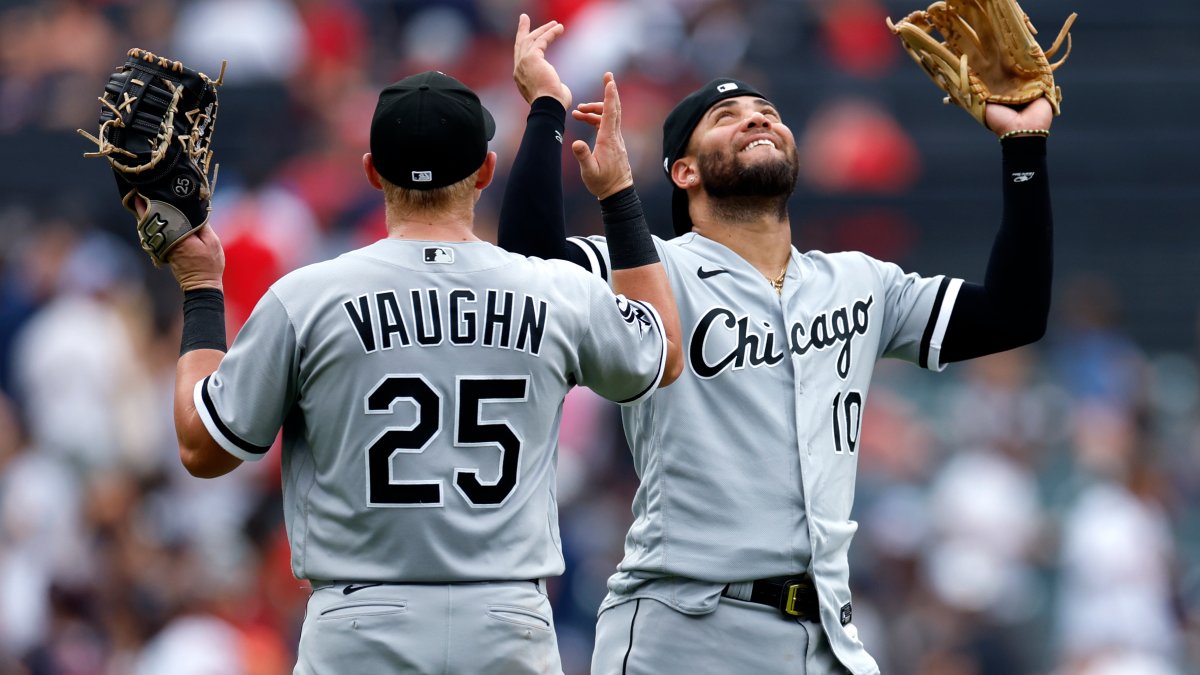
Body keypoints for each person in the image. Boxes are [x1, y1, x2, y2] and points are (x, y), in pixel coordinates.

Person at [166, 16, 682, 674]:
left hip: (360, 620)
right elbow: (663, 349)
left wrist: (202, 289)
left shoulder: (310, 296)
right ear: (486, 170)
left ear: (373, 172)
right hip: (506, 621)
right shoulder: (552, 290)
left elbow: (202, 446)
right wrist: (615, 194)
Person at [499, 67, 1054, 673]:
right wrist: (548, 112)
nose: (756, 118)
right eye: (725, 118)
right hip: (685, 632)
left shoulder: (860, 281)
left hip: (828, 635)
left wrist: (1023, 148)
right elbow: (529, 265)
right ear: (683, 171)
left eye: (765, 110)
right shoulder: (648, 270)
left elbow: (1013, 314)